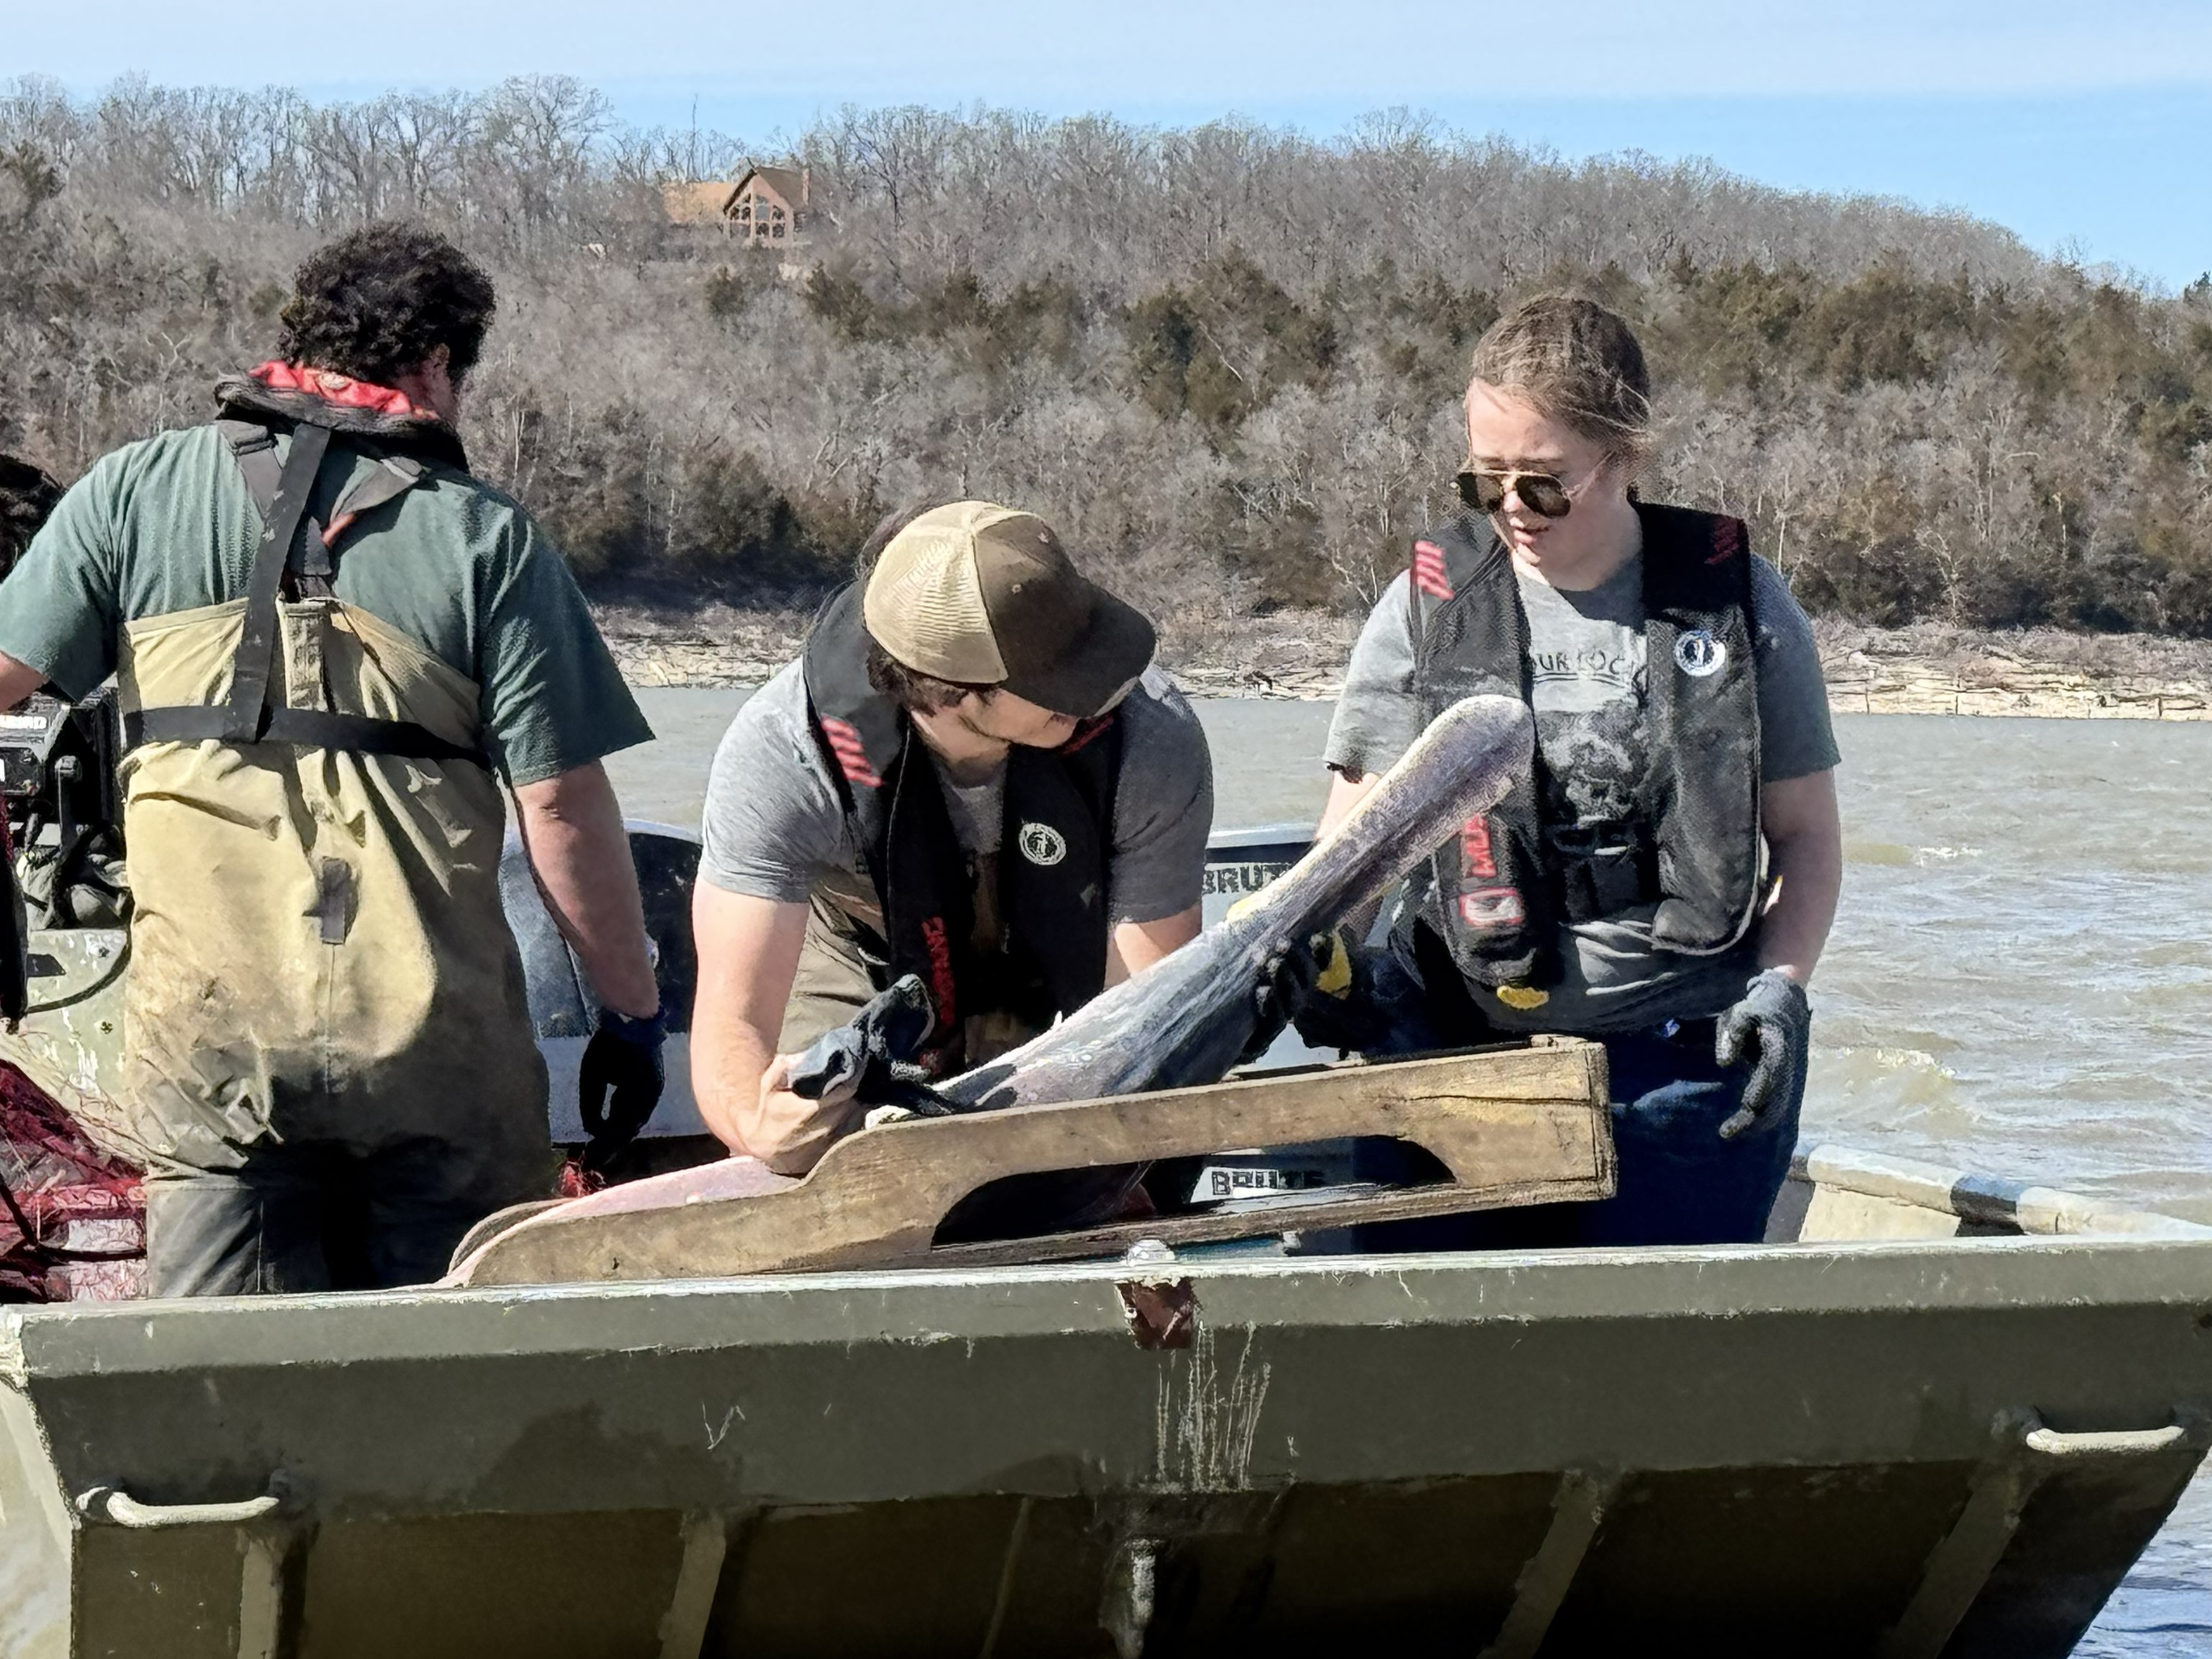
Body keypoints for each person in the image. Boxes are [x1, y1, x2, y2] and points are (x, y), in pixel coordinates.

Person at [0, 223, 668, 1295]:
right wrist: (630, 1016)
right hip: (434, 1061)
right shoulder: (486, 537)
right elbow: (562, 807)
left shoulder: (133, 491)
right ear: (436, 366)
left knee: (218, 1399)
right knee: (455, 1394)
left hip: (212, 1054)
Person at [1310, 293, 1843, 1247]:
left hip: (1684, 1069)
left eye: (1546, 481)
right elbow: (1352, 846)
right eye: (1488, 479)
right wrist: (1320, 956)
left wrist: (1780, 986)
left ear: (1625, 455)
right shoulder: (1424, 606)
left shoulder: (1738, 602)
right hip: (1453, 1062)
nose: (1514, 508)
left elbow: (1803, 837)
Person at [692, 499, 1214, 1174]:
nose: (1102, 691)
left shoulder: (1150, 736)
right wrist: (757, 1121)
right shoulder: (785, 756)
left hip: (1069, 937)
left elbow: (1137, 1016)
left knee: (1145, 1137)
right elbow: (730, 1034)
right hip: (866, 940)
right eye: (1061, 682)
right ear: (951, 691)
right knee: (820, 1161)